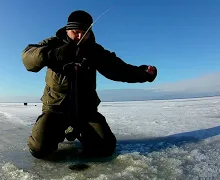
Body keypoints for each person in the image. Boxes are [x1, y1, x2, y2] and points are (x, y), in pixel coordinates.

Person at [21, 10, 157, 159]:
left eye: (85, 33)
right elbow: (28, 58)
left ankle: (80, 131)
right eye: (76, 32)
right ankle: (58, 131)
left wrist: (142, 73)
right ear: (68, 30)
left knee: (105, 148)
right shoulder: (53, 44)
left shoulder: (94, 51)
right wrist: (53, 54)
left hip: (86, 111)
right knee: (39, 149)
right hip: (56, 110)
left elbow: (118, 69)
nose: (80, 37)